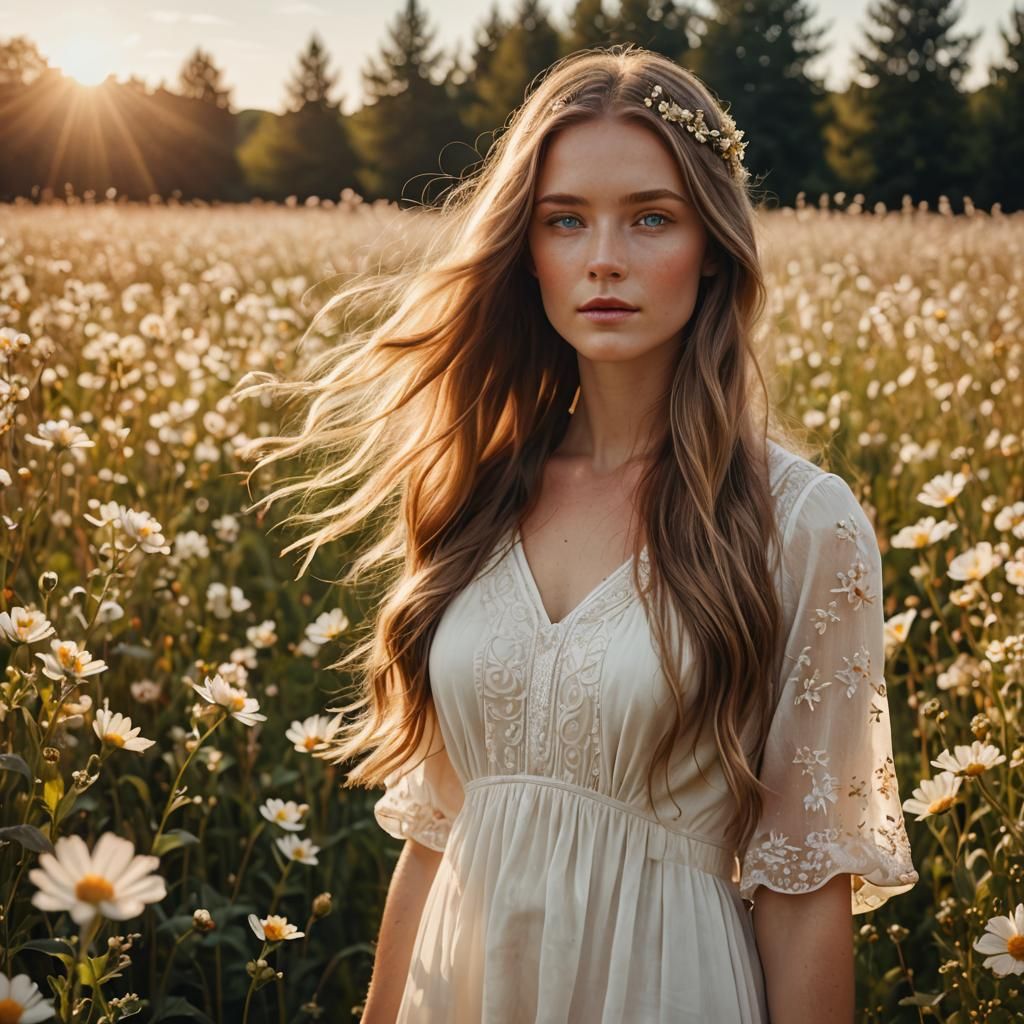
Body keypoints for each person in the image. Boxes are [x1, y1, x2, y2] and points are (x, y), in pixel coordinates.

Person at [238, 44, 919, 1024]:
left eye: (650, 217)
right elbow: (436, 839)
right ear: (528, 250)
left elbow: (804, 887)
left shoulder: (802, 523)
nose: (604, 256)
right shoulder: (473, 490)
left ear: (714, 245)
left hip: (665, 988)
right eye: (566, 220)